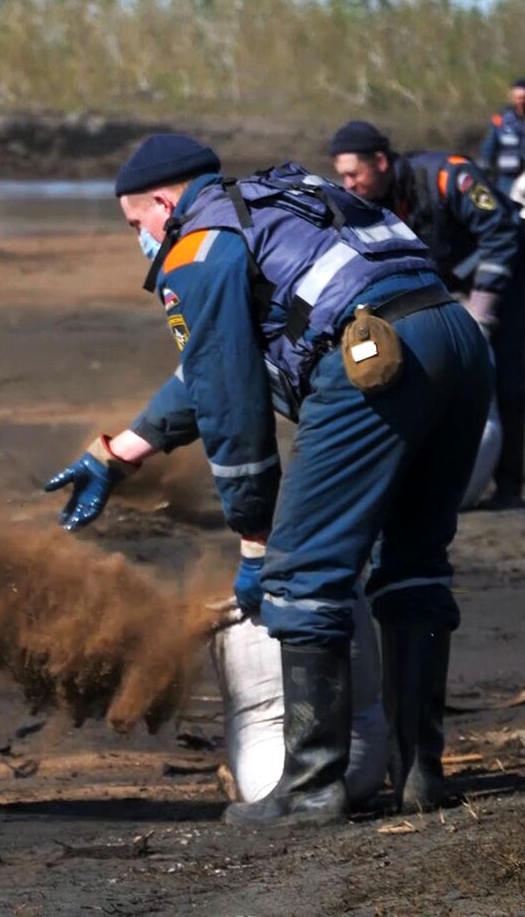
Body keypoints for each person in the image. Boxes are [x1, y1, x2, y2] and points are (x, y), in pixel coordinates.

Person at [45, 135, 490, 826]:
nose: (142, 239)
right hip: (458, 343)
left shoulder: (197, 245)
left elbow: (231, 404)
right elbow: (218, 363)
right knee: (413, 564)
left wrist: (257, 537)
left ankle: (311, 789)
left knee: (303, 573)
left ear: (165, 203)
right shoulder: (287, 198)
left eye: (137, 226)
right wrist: (117, 453)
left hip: (375, 359)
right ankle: (420, 775)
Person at [331, 120, 525, 508]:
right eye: (342, 177)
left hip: (503, 261)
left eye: (354, 174)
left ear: (380, 161)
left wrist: (483, 310)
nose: (349, 185)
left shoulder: (448, 175)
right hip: (447, 269)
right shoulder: (367, 203)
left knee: (504, 374)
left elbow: (501, 235)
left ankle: (509, 489)